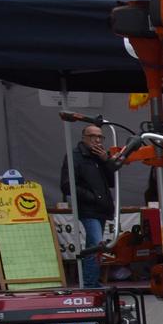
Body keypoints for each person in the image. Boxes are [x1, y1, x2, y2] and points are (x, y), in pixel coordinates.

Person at [61, 122, 119, 287]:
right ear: (84, 138)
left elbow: (112, 181)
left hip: (101, 208)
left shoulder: (101, 156)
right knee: (95, 243)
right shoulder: (75, 156)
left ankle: (91, 280)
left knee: (94, 245)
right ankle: (89, 283)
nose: (98, 140)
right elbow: (67, 185)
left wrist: (106, 161)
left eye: (100, 137)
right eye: (93, 136)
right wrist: (93, 197)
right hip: (88, 207)